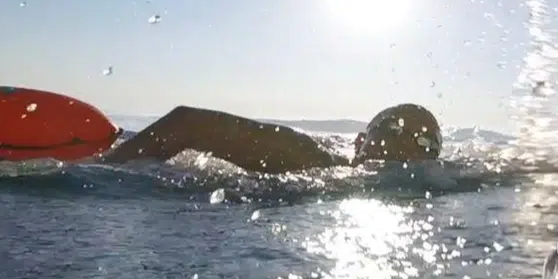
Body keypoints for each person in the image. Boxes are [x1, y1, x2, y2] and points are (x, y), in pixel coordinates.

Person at [102, 102, 443, 174]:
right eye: (395, 129)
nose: (405, 144)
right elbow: (187, 122)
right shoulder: (306, 156)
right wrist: (104, 168)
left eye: (425, 144)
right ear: (358, 142)